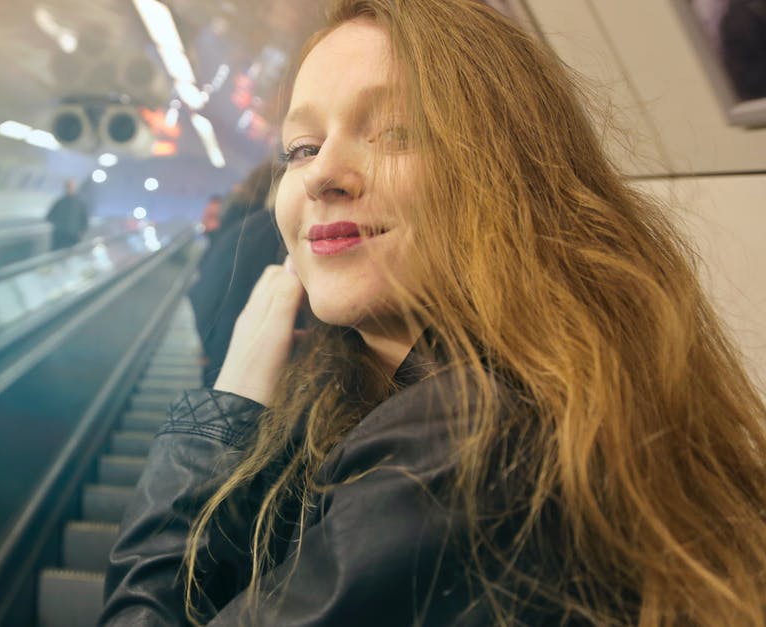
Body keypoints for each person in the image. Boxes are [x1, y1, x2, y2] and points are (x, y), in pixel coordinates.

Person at [101, 0, 766, 625]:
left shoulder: (461, 442)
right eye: (301, 148)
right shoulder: (524, 387)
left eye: (395, 133)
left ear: (507, 174)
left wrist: (231, 400)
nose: (322, 173)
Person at [188, 162, 284, 387]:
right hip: (241, 361)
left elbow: (202, 293)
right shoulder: (266, 231)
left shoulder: (236, 229)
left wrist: (207, 345)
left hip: (222, 353)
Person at [45, 178, 89, 250]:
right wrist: (58, 225)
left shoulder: (80, 203)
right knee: (57, 254)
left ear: (75, 188)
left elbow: (85, 219)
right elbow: (49, 216)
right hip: (59, 236)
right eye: (68, 186)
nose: (70, 188)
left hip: (73, 236)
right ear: (65, 187)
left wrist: (82, 232)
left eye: (71, 187)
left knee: (70, 256)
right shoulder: (60, 202)